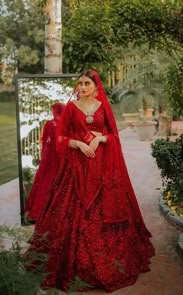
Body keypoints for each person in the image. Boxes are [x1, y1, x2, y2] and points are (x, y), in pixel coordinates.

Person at [25, 69, 155, 293]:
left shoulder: (103, 107)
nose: (82, 87)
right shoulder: (72, 108)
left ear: (96, 86)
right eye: (80, 84)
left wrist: (100, 139)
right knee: (67, 207)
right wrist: (79, 144)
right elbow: (60, 137)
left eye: (86, 83)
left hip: (102, 164)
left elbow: (114, 135)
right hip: (75, 166)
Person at [24, 102, 65, 221]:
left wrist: (44, 154)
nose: (53, 112)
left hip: (50, 154)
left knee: (47, 179)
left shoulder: (49, 124)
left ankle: (39, 210)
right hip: (60, 154)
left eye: (54, 110)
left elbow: (44, 139)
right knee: (58, 179)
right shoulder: (66, 124)